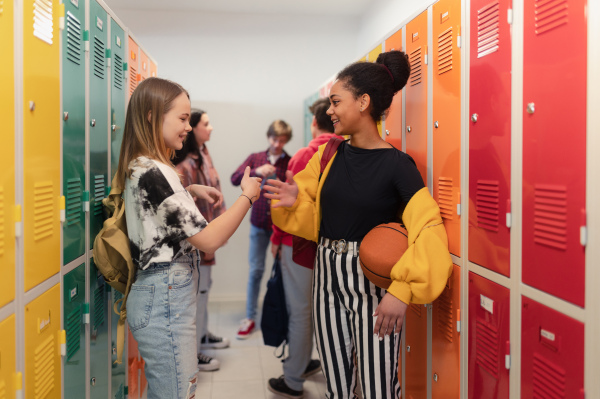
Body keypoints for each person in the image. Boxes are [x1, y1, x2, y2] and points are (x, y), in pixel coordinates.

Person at [264, 51, 452, 398]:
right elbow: (318, 220)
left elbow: (428, 229)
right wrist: (295, 202)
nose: (330, 111)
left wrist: (401, 290)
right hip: (326, 277)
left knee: (378, 386)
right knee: (338, 387)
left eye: (336, 102)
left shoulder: (398, 165)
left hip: (372, 283)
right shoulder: (328, 154)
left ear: (363, 102)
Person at [116, 77, 261, 399]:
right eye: (182, 118)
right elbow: (208, 240)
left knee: (176, 389)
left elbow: (155, 214)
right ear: (153, 116)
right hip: (163, 294)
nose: (188, 127)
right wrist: (247, 197)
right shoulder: (154, 172)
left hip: (162, 293)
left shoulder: (148, 167)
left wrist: (188, 191)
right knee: (178, 392)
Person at [266, 98, 337, 397]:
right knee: (316, 310)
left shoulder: (307, 154)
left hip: (298, 246)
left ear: (313, 122)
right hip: (333, 248)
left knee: (299, 312)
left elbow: (285, 204)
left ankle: (293, 378)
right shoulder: (348, 150)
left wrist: (275, 240)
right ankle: (305, 362)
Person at [173, 110, 229, 372]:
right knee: (198, 294)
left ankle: (203, 336)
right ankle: (194, 354)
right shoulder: (185, 164)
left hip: (208, 233)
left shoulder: (202, 154)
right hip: (199, 239)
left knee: (204, 290)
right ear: (193, 129)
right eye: (206, 123)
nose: (212, 128)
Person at [230, 120, 292, 339]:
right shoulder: (256, 157)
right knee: (255, 272)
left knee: (283, 274)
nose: (277, 144)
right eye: (274, 139)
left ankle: (281, 318)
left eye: (282, 141)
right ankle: (250, 317)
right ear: (268, 137)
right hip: (258, 225)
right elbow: (235, 178)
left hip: (281, 228)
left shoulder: (291, 162)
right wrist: (257, 170)